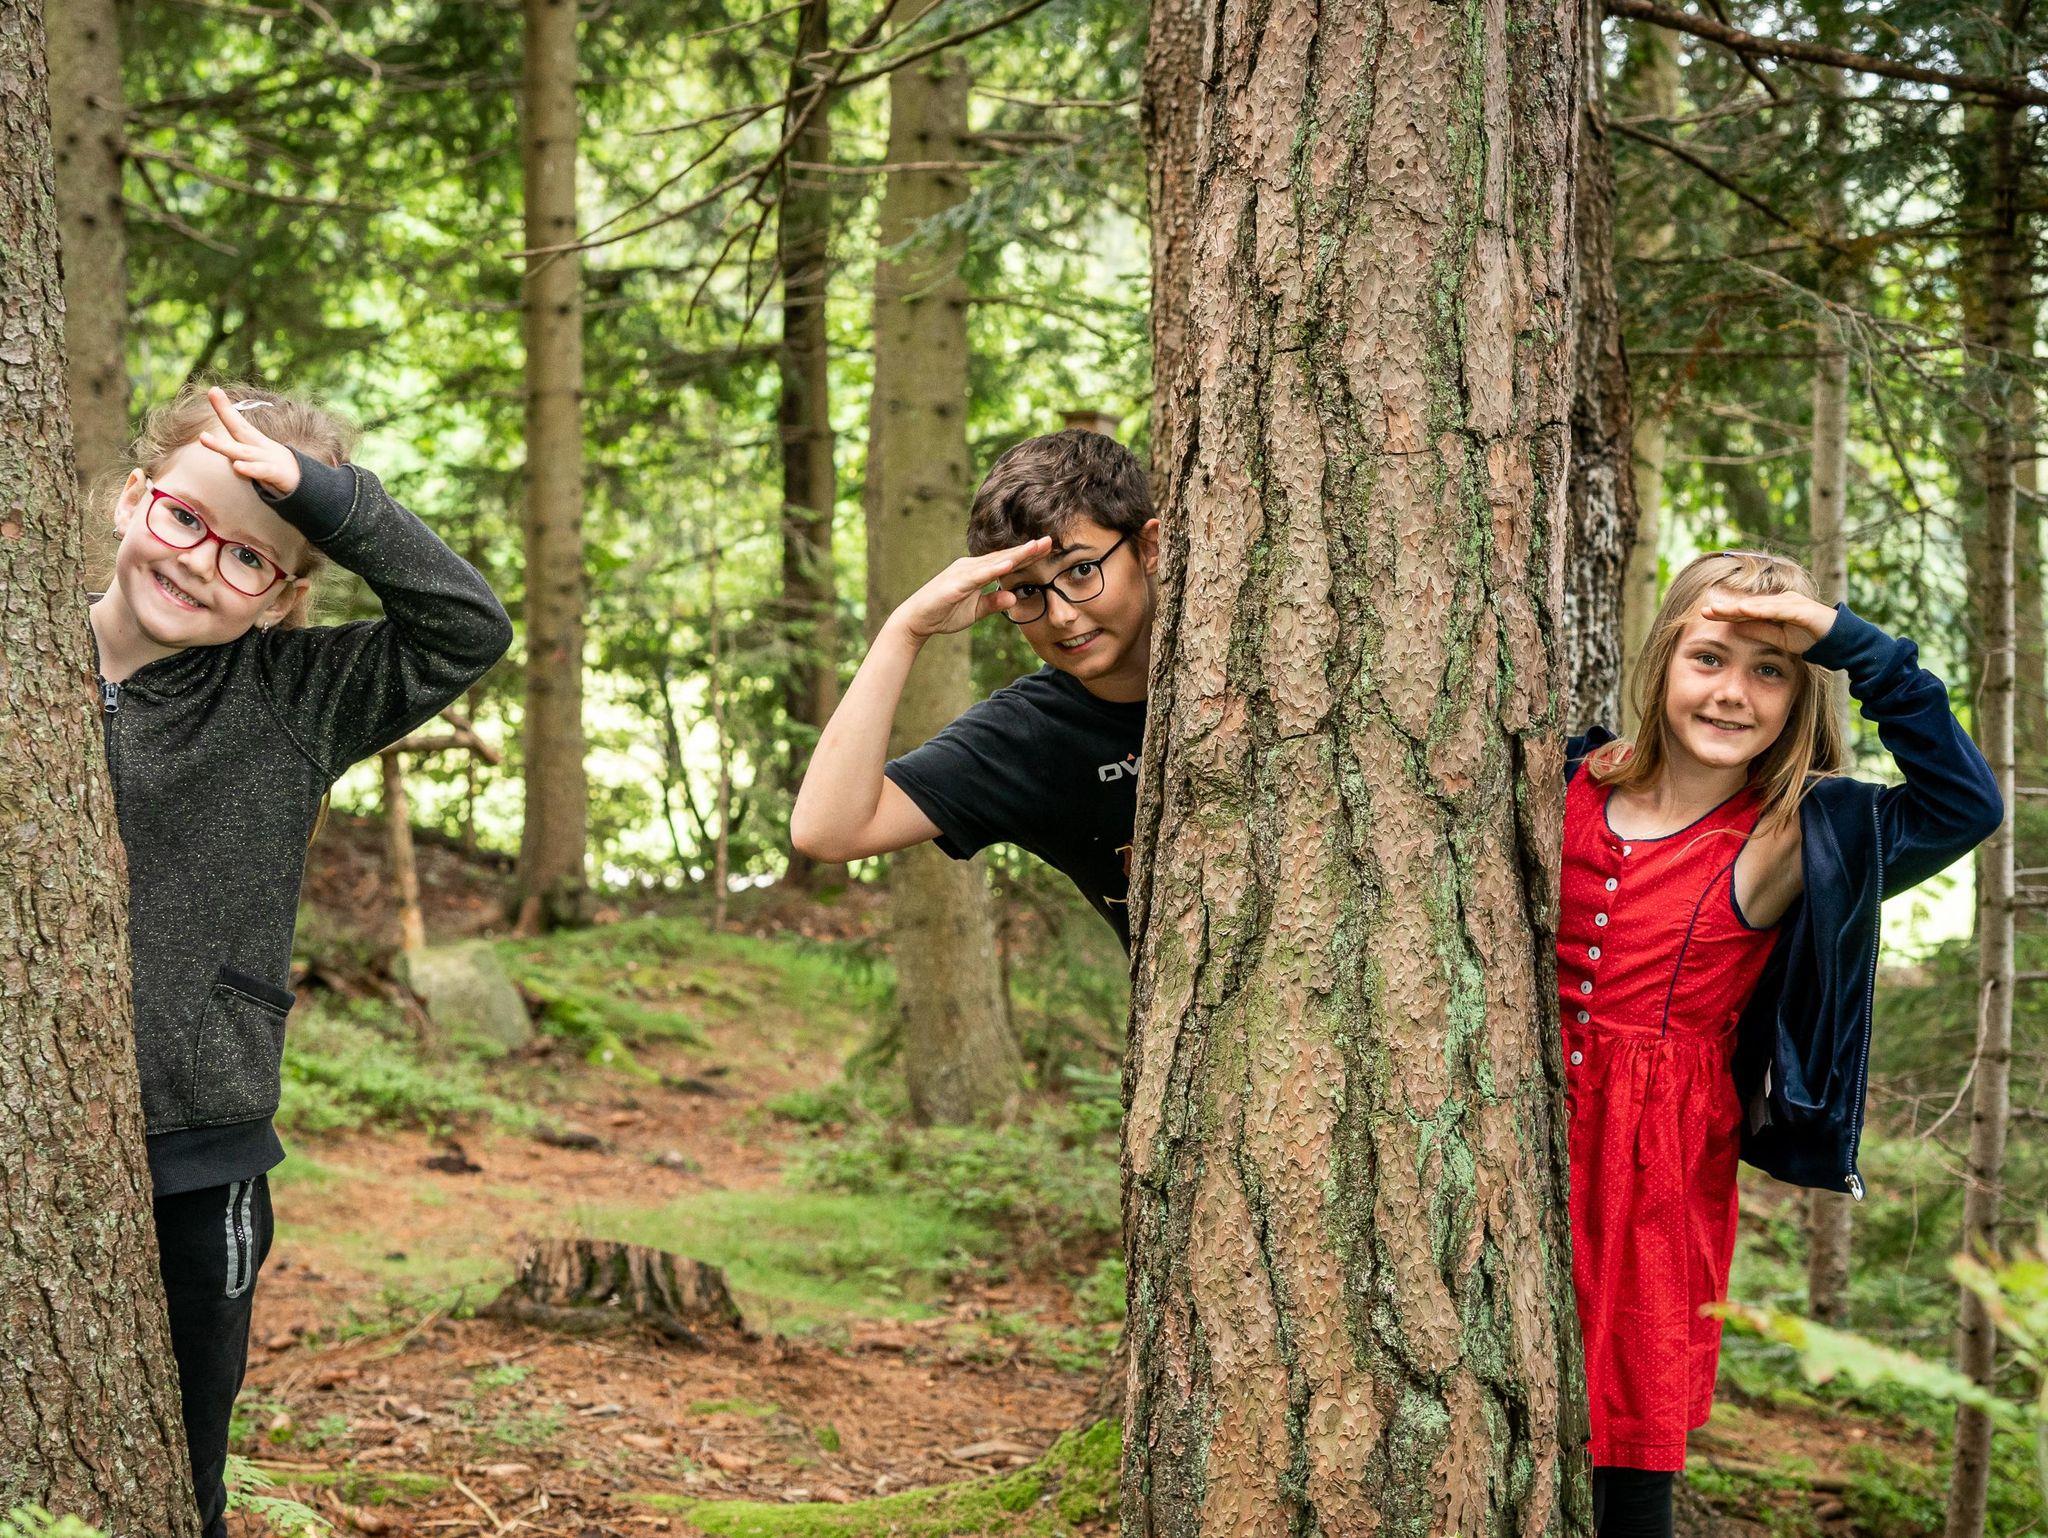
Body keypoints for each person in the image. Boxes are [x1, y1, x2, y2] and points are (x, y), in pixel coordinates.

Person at [89, 383, 513, 1536]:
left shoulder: (294, 695)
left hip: (198, 1148)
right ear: (132, 497)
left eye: (248, 556)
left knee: (176, 1464)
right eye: (184, 518)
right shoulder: (28, 656)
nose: (198, 562)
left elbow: (467, 628)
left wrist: (322, 498)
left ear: (283, 595)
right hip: (34, 1124)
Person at [1560, 549, 2000, 1537]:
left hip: (1656, 1164)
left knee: (1625, 1437)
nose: (1732, 692)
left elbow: (1964, 804)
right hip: (1511, 1129)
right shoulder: (1571, 783)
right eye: (1709, 658)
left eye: (1770, 671)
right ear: (1662, 660)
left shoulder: (1791, 839)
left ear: (1802, 694)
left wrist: (1846, 641)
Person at [791, 429, 1156, 948]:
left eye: (1081, 570)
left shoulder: (1245, 659)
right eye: (1027, 590)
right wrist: (904, 632)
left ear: (1148, 549)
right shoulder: (1029, 736)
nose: (1060, 615)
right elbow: (827, 830)